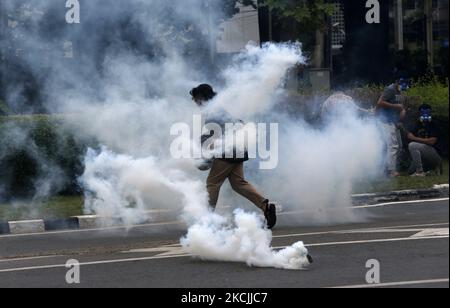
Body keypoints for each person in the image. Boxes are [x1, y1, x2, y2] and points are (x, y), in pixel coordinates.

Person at [190, 84, 277, 229]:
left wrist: (203, 146)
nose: (195, 102)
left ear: (202, 97)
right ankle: (266, 207)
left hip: (228, 151)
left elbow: (214, 134)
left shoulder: (212, 111)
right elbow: (239, 124)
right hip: (237, 149)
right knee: (239, 184)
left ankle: (207, 219)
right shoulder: (219, 109)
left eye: (196, 99)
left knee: (212, 184)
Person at [375, 78, 408, 177]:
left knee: (398, 146)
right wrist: (396, 106)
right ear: (397, 83)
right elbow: (380, 103)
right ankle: (391, 171)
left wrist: (402, 111)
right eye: (403, 85)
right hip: (385, 120)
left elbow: (402, 106)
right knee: (392, 145)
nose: (404, 88)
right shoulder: (390, 89)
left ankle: (385, 169)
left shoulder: (402, 92)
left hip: (393, 122)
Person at [406, 104, 443, 177]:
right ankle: (431, 168)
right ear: (419, 113)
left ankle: (420, 171)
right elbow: (409, 135)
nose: (425, 115)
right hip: (423, 154)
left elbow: (432, 141)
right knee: (411, 171)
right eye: (423, 112)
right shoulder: (417, 124)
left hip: (435, 153)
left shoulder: (434, 124)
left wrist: (414, 138)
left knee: (412, 145)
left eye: (427, 112)